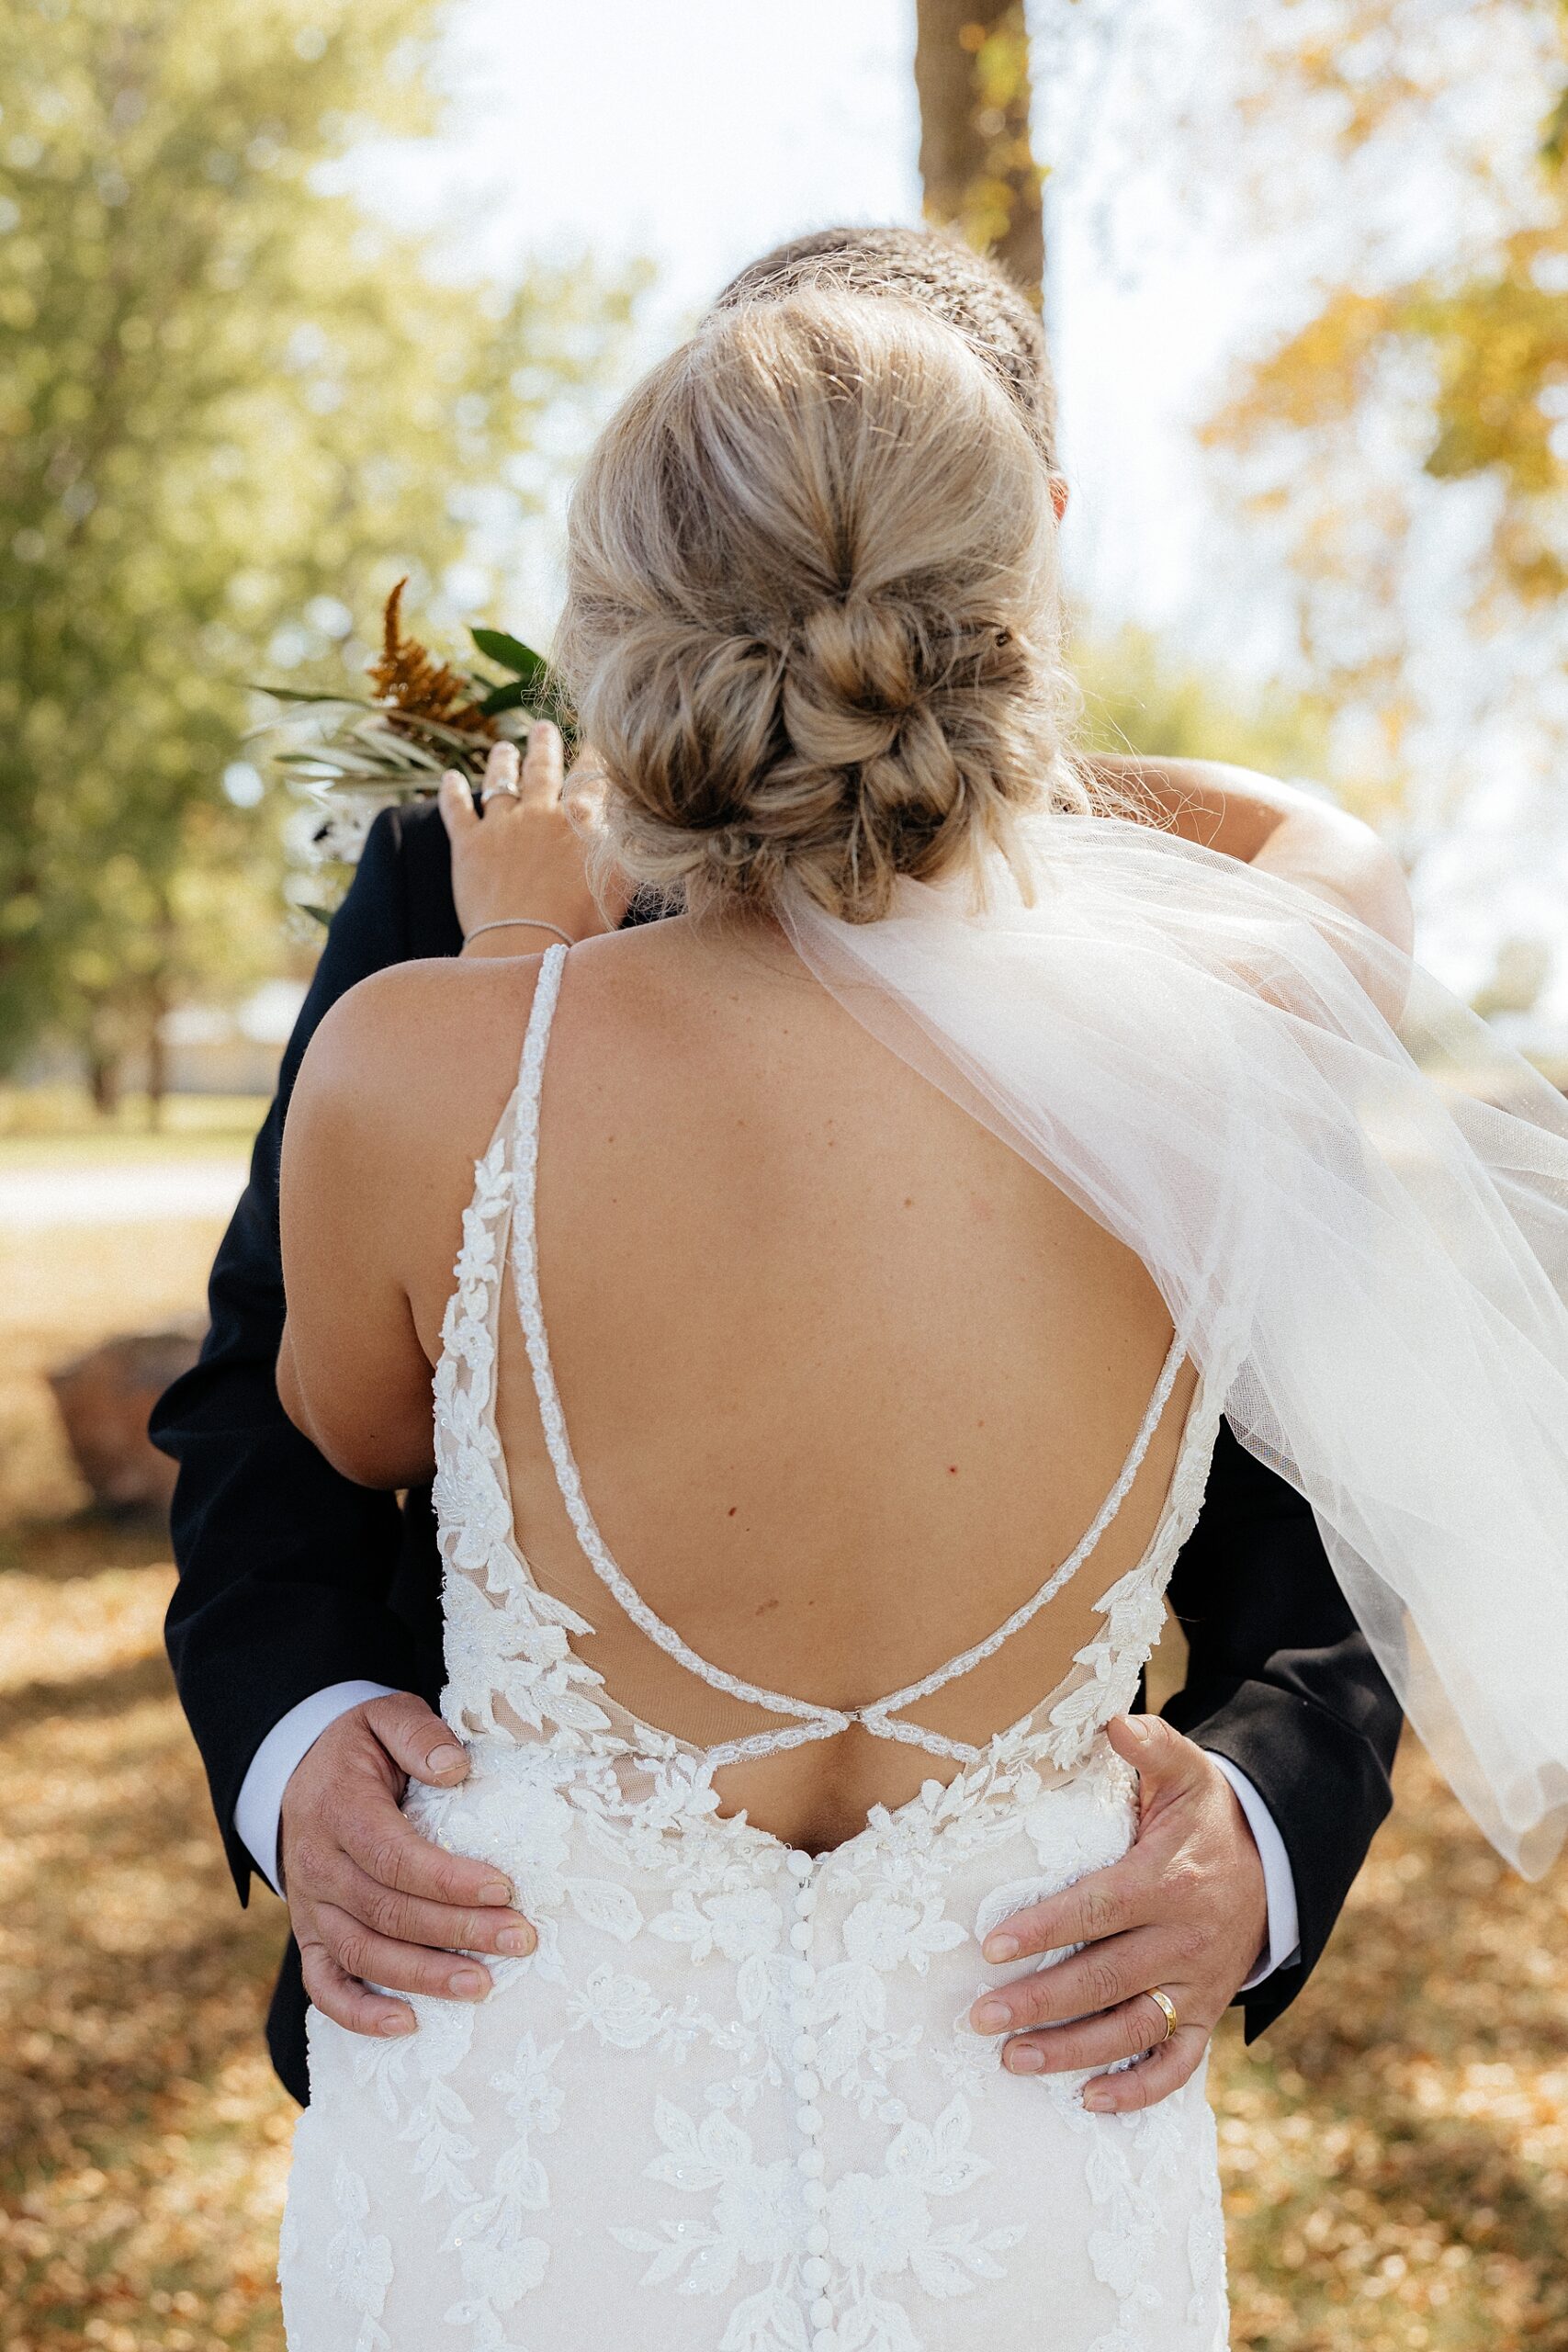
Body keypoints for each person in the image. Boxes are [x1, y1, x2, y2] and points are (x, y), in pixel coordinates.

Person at [254, 275, 1452, 2346]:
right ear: (1016, 612)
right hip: (1026, 2154)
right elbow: (1332, 863)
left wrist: (520, 949)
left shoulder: (422, 1059)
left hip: (527, 2160)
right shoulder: (1216, 1040)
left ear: (614, 623)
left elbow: (360, 1427)